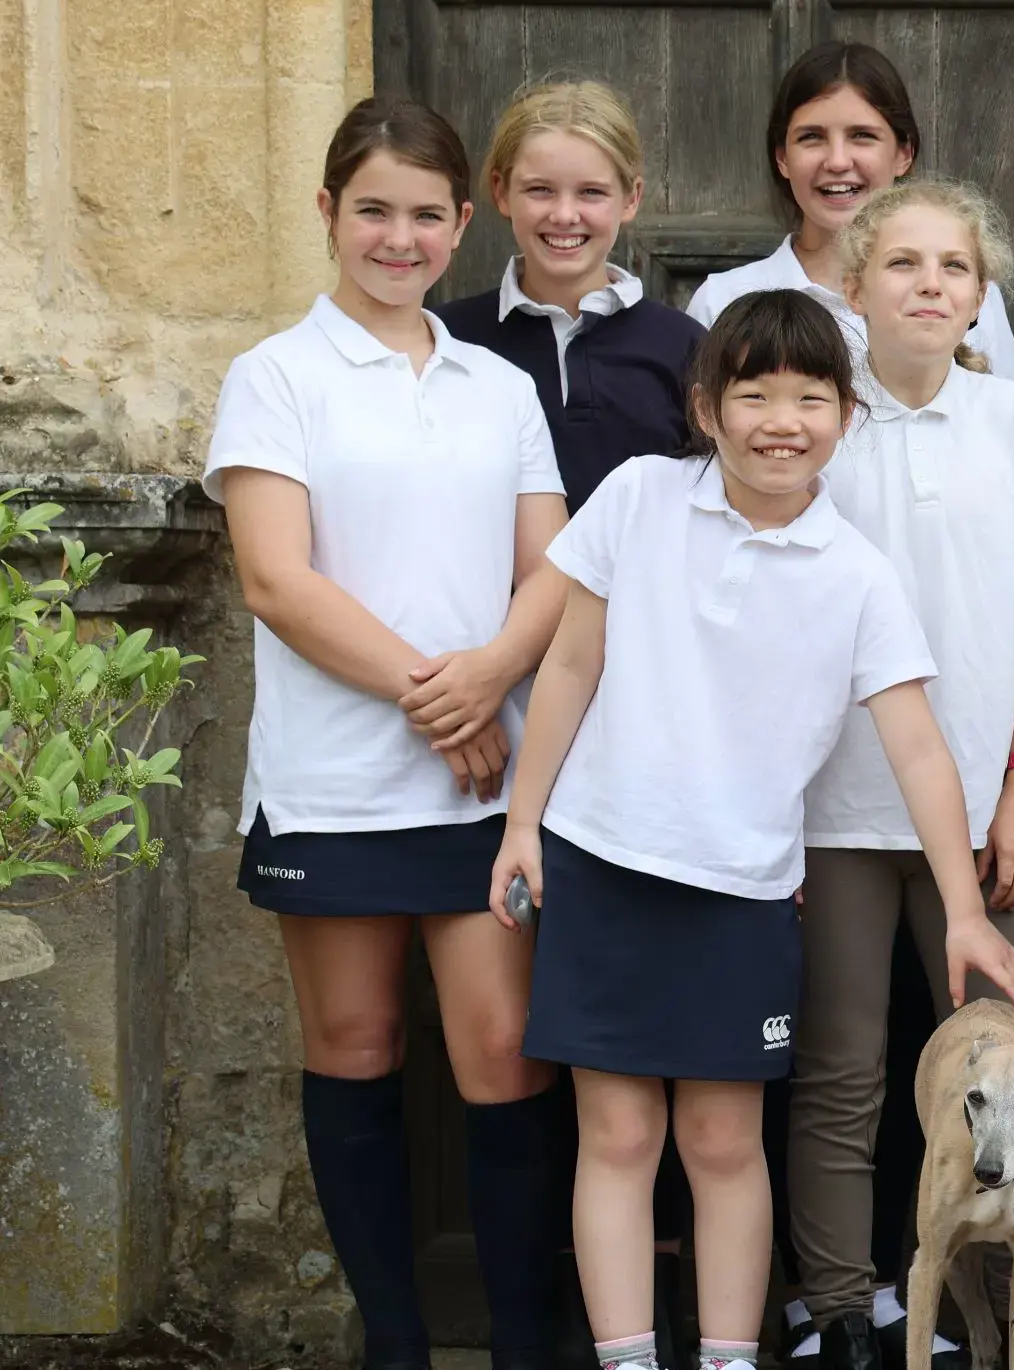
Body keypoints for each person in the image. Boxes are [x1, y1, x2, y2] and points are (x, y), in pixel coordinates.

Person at [494, 289, 1014, 1370]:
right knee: (619, 1136)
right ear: (706, 406)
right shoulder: (640, 498)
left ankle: (732, 1356)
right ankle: (629, 1357)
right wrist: (522, 826)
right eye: (753, 394)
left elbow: (919, 748)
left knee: (722, 1140)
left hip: (742, 891)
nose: (780, 419)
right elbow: (568, 662)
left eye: (809, 396)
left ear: (847, 413)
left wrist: (965, 911)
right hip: (602, 863)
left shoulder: (857, 574)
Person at [203, 95, 569, 1370]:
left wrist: (489, 685)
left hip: (485, 782)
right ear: (327, 213)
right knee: (356, 1047)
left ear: (462, 224)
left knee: (503, 1053)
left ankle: (526, 1341)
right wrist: (440, 696)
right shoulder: (275, 376)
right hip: (338, 781)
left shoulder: (499, 385)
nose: (398, 237)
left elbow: (551, 571)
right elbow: (276, 581)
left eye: (425, 214)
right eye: (373, 210)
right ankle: (396, 1344)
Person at [787, 178, 1014, 1370]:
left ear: (980, 293)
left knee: (1010, 1067)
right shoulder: (818, 424)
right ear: (849, 286)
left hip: (983, 806)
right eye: (899, 264)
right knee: (843, 1070)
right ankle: (842, 1308)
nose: (926, 285)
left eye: (951, 268)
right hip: (838, 807)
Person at [682, 40, 1014, 381]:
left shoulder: (960, 292)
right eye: (812, 137)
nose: (838, 161)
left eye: (862, 135)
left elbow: (1005, 422)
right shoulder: (723, 300)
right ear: (782, 157)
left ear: (904, 153)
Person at [437, 79, 703, 512]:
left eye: (591, 192)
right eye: (540, 189)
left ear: (631, 198)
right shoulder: (446, 338)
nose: (564, 215)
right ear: (501, 192)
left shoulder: (686, 347)